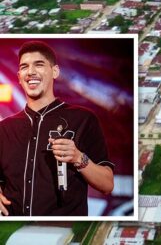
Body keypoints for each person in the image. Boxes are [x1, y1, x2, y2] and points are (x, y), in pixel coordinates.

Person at [0, 41, 114, 216]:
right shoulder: (5, 128)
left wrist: (78, 157)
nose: (30, 72)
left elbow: (107, 184)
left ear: (55, 71)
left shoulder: (83, 119)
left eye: (39, 64)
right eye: (24, 67)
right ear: (19, 77)